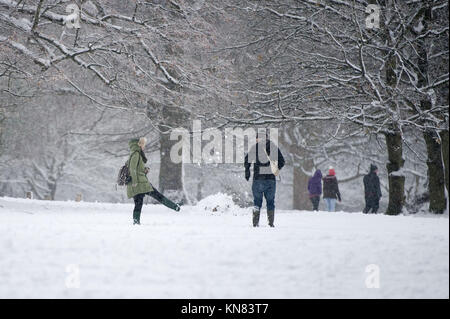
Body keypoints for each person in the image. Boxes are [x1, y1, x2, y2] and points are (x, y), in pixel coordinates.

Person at [127, 137, 180, 225]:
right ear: (138, 145)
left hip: (140, 183)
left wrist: (144, 170)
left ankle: (136, 222)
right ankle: (175, 207)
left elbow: (136, 168)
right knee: (157, 196)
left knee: (139, 203)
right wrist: (135, 181)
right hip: (139, 184)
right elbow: (132, 169)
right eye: (143, 144)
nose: (144, 146)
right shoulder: (136, 154)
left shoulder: (135, 154)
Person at [244, 133, 285, 227]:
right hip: (270, 179)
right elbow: (282, 161)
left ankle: (255, 223)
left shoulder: (255, 148)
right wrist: (275, 169)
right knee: (270, 201)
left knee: (257, 201)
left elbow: (247, 161)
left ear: (257, 139)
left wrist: (247, 172)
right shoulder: (273, 147)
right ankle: (271, 223)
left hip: (258, 178)